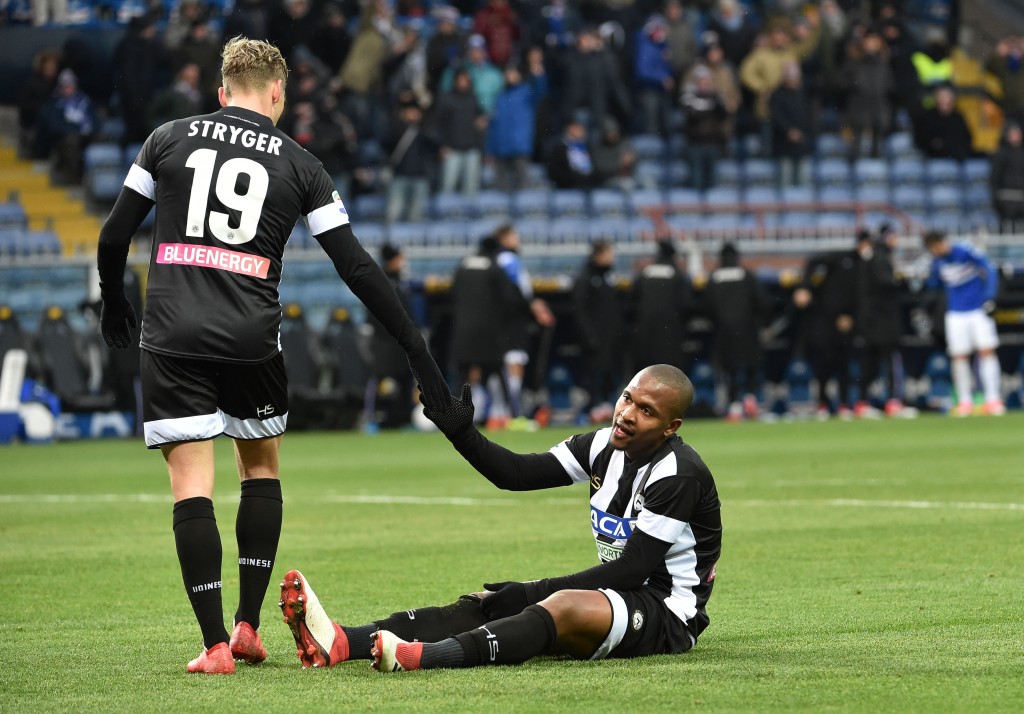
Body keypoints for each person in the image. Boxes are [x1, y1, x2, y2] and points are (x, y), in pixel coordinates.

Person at [95, 37, 448, 675]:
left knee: (190, 488)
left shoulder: (168, 138)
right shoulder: (302, 163)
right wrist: (417, 350)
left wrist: (115, 305)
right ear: (279, 94)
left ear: (223, 91)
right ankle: (249, 626)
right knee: (259, 474)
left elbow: (114, 232)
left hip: (172, 334)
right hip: (250, 338)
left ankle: (213, 648)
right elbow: (358, 268)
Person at [276, 364, 721, 673]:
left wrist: (530, 590)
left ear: (671, 427)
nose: (627, 414)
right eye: (628, 398)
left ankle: (422, 657)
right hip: (618, 594)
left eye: (647, 411)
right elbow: (516, 473)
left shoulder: (678, 473)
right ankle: (343, 642)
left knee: (558, 604)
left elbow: (634, 568)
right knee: (484, 601)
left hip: (667, 613)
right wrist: (463, 434)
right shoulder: (603, 444)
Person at [922, 231, 1004, 416]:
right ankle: (964, 401)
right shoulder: (937, 263)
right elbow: (933, 286)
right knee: (959, 357)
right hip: (955, 313)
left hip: (978, 310)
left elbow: (989, 270)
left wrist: (990, 298)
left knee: (986, 351)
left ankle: (993, 399)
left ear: (942, 242)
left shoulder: (965, 251)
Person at [792, 233, 864, 419]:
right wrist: (805, 287)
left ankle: (843, 404)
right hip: (823, 319)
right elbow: (813, 265)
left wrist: (849, 315)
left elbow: (860, 295)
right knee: (823, 362)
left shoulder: (862, 266)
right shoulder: (836, 261)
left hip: (845, 321)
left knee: (844, 364)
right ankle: (822, 404)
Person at [494, 224, 556, 424]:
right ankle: (512, 414)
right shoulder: (508, 259)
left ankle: (502, 413)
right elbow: (522, 288)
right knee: (514, 364)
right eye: (514, 236)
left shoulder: (497, 259)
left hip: (501, 320)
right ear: (505, 238)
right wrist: (534, 305)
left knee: (501, 367)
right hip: (512, 321)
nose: (518, 240)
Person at [702, 242, 768, 421]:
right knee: (750, 366)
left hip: (723, 331)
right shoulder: (747, 275)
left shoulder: (715, 277)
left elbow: (706, 305)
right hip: (747, 328)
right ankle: (750, 398)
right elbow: (761, 302)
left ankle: (734, 406)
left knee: (729, 369)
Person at [855, 225, 910, 418]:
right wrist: (902, 279)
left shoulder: (872, 258)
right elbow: (887, 283)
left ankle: (863, 402)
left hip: (871, 320)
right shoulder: (880, 258)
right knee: (890, 360)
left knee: (871, 362)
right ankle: (893, 401)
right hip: (883, 320)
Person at [572, 240, 624, 423]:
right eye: (609, 253)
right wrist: (589, 336)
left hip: (610, 339)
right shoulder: (586, 278)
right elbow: (580, 310)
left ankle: (606, 407)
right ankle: (592, 409)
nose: (612, 258)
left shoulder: (608, 277)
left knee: (609, 374)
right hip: (594, 340)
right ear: (599, 254)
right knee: (593, 376)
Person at [631, 239, 692, 373]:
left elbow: (632, 302)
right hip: (671, 337)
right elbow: (686, 304)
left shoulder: (644, 273)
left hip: (645, 336)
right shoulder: (678, 275)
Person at [990, 122, 1024, 230]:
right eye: (1012, 134)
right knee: (1007, 229)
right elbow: (995, 177)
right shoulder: (1001, 154)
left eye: (1017, 134)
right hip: (1006, 198)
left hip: (1021, 198)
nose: (1015, 137)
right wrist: (997, 197)